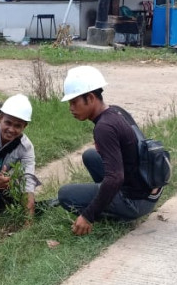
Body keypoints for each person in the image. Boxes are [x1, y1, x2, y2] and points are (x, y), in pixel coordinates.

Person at [57, 66, 161, 236]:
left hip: (136, 201)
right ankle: (110, 199)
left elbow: (115, 178)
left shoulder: (104, 128)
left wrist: (88, 215)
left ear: (90, 98)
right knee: (90, 156)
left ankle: (120, 212)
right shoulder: (117, 111)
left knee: (65, 195)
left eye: (74, 102)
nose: (71, 108)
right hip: (148, 190)